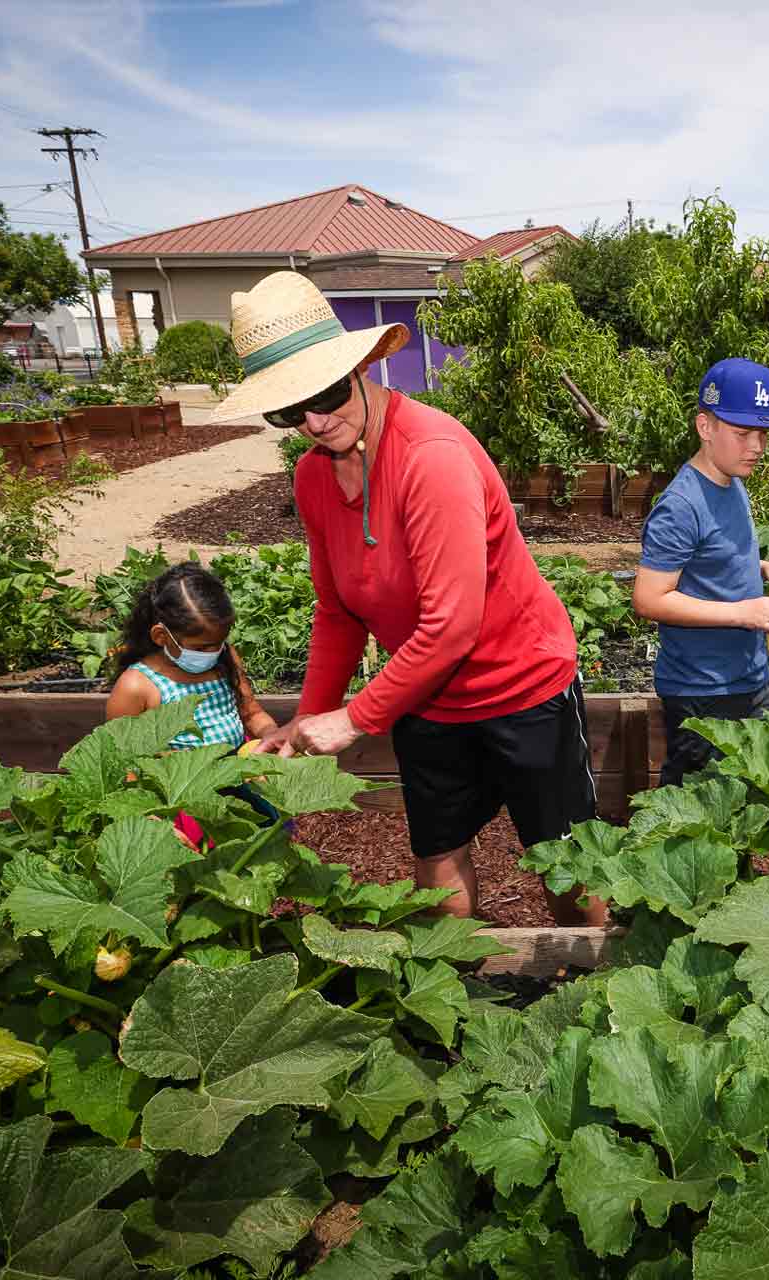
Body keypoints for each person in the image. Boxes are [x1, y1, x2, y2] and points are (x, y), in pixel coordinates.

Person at [226, 272, 600, 923]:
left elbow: (452, 626)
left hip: (522, 688)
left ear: (360, 368)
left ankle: (599, 998)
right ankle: (455, 992)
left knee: (564, 861)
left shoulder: (430, 456)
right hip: (424, 695)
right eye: (289, 411)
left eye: (325, 394)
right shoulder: (314, 476)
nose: (314, 421)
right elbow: (337, 611)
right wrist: (308, 721)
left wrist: (354, 717)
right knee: (437, 850)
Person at [632, 358, 769, 787]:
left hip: (749, 674)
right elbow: (648, 599)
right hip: (703, 689)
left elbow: (716, 555)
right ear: (704, 427)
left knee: (768, 794)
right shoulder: (681, 505)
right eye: (743, 432)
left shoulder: (732, 482)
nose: (757, 446)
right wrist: (743, 613)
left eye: (763, 433)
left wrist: (766, 568)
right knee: (704, 820)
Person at [106, 560, 278, 749]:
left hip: (236, 772)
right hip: (176, 778)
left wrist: (270, 734)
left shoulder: (225, 658)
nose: (213, 653)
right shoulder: (137, 687)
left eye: (219, 643)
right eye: (200, 649)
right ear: (161, 636)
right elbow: (123, 760)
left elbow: (252, 714)